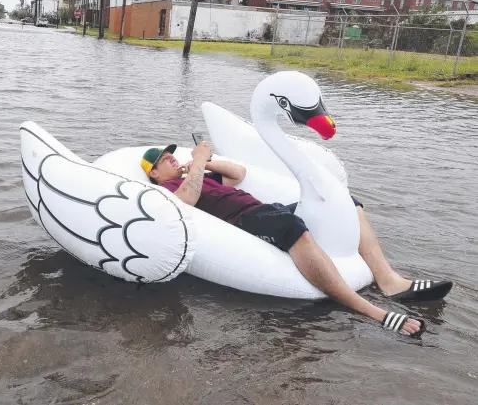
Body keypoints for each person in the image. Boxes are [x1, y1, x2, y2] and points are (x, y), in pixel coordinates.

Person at [140, 142, 453, 337]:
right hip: (245, 220)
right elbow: (187, 198)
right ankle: (374, 312)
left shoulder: (201, 174)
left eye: (171, 155)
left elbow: (237, 172)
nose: (171, 159)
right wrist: (195, 162)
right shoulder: (167, 190)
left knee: (346, 202)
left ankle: (389, 281)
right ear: (154, 174)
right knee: (292, 226)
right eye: (163, 160)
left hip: (265, 209)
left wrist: (204, 161)